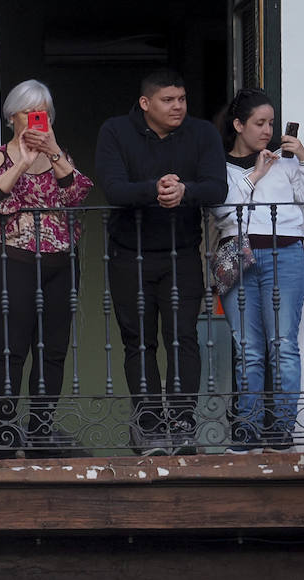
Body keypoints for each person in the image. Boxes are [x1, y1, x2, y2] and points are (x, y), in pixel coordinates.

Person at [94, 69, 227, 455]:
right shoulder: (116, 131)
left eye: (182, 99)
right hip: (128, 254)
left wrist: (184, 191)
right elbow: (114, 188)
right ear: (145, 103)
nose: (178, 107)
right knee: (138, 343)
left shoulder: (201, 133)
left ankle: (183, 423)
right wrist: (154, 189)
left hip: (182, 253)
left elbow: (217, 187)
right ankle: (149, 426)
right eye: (169, 100)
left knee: (184, 338)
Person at [0, 79, 93, 457]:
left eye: (43, 112)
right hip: (12, 264)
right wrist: (21, 162)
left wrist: (53, 153)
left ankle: (39, 430)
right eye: (29, 112)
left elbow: (78, 195)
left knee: (52, 351)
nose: (37, 120)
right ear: (12, 117)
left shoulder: (61, 156)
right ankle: (6, 431)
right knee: (10, 350)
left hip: (61, 265)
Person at [214, 87, 304, 452]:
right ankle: (247, 429)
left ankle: (281, 430)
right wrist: (255, 176)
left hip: (285, 254)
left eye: (271, 123)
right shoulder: (220, 167)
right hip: (237, 256)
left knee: (283, 346)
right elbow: (223, 213)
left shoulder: (286, 161)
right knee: (249, 349)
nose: (267, 130)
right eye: (259, 123)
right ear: (238, 124)